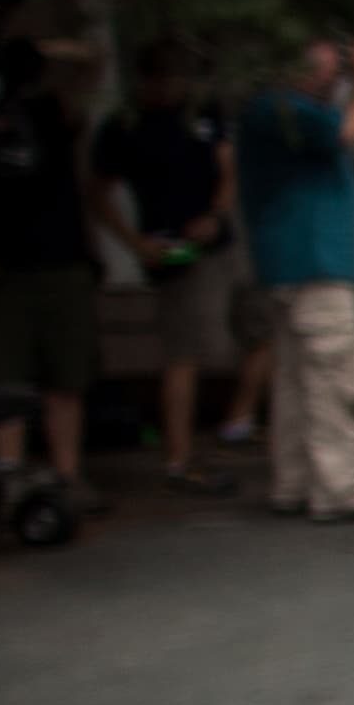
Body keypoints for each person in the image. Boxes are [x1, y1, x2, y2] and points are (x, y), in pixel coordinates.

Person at [91, 41, 273, 495]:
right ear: (144, 81)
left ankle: (240, 418)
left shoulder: (202, 113)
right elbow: (97, 191)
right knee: (183, 352)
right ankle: (178, 457)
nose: (171, 89)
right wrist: (135, 243)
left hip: (223, 243)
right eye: (162, 80)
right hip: (173, 251)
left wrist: (216, 214)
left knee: (262, 327)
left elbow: (228, 169)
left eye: (178, 79)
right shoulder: (124, 125)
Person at [234, 37, 354, 525]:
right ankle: (341, 490)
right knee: (333, 379)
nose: (336, 80)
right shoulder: (284, 108)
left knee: (296, 382)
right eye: (329, 71)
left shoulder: (275, 110)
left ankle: (296, 483)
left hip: (293, 266)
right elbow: (348, 131)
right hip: (315, 265)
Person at [0, 35, 109, 510]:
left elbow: (92, 69)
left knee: (65, 377)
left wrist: (43, 52)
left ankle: (67, 477)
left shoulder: (48, 111)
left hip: (60, 259)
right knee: (5, 380)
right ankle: (10, 483)